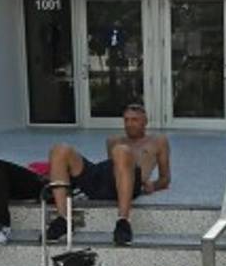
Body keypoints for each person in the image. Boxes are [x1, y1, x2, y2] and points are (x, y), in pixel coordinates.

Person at [45, 101, 170, 245]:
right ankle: (63, 220)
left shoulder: (158, 141)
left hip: (133, 181)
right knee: (60, 149)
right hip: (107, 179)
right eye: (126, 120)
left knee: (121, 150)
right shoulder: (113, 140)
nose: (129, 124)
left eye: (135, 120)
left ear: (145, 122)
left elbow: (165, 178)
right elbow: (114, 168)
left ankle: (123, 222)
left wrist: (153, 186)